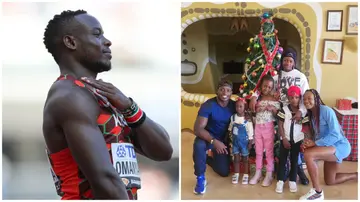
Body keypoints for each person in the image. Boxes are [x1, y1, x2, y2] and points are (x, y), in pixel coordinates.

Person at [42, 10, 173, 200]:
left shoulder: (102, 96)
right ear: (71, 42)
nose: (107, 41)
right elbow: (104, 179)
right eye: (97, 34)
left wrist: (129, 108)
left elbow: (163, 151)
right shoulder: (69, 96)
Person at [249, 48, 310, 185]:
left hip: (294, 115)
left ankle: (298, 169)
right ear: (282, 62)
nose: (287, 63)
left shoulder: (300, 77)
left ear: (294, 62)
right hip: (278, 114)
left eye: (290, 60)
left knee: (294, 142)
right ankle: (276, 170)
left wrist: (301, 111)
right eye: (285, 60)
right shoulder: (276, 77)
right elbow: (262, 87)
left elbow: (306, 96)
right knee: (280, 143)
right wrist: (253, 97)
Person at [299, 89, 357, 200]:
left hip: (340, 145)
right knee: (331, 180)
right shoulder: (311, 116)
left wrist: (315, 144)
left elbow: (336, 135)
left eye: (309, 98)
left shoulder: (326, 111)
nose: (306, 101)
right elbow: (315, 136)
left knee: (309, 154)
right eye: (304, 99)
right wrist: (307, 143)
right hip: (328, 147)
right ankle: (356, 175)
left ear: (316, 99)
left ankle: (317, 192)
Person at [192, 80, 235, 194]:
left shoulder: (233, 105)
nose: (225, 92)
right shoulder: (208, 105)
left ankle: (206, 159)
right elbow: (197, 129)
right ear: (217, 91)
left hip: (222, 139)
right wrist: (213, 141)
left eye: (228, 90)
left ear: (231, 92)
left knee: (224, 172)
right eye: (222, 89)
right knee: (198, 145)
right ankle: (200, 179)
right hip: (207, 137)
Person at [275, 86, 308, 193]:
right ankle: (280, 181)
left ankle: (293, 180)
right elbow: (280, 125)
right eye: (292, 97)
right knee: (283, 160)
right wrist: (284, 138)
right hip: (285, 139)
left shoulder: (303, 112)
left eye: (296, 97)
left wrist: (304, 140)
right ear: (288, 98)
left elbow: (306, 126)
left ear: (300, 98)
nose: (294, 100)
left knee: (295, 160)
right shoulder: (284, 110)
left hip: (297, 140)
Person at [249, 75, 280, 186]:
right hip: (258, 128)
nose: (266, 89)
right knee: (258, 151)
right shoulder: (258, 98)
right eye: (264, 86)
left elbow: (278, 114)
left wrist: (271, 108)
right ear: (261, 87)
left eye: (269, 87)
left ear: (272, 88)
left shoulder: (274, 99)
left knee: (269, 152)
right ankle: (258, 173)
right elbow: (252, 111)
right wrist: (257, 109)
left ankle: (269, 174)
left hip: (268, 128)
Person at [228, 97, 254, 185]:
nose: (238, 108)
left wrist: (250, 143)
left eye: (241, 106)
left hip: (244, 143)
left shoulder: (247, 119)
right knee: (236, 158)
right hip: (235, 142)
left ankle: (245, 174)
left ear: (245, 107)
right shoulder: (233, 117)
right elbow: (230, 128)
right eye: (237, 106)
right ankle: (236, 173)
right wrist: (230, 138)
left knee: (245, 159)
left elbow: (250, 132)